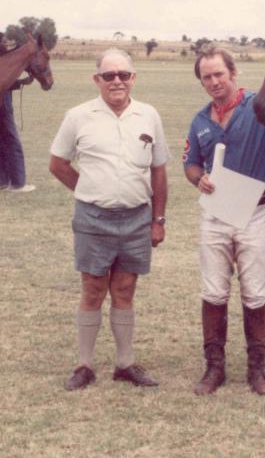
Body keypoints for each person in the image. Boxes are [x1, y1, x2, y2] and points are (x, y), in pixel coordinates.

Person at [49, 48, 169, 391]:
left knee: (125, 289)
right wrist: (87, 190)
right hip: (93, 218)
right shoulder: (78, 116)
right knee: (92, 289)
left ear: (133, 78)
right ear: (96, 79)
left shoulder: (149, 115)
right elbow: (57, 164)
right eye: (109, 76)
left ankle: (125, 363)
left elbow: (159, 171)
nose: (117, 81)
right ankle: (85, 365)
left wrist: (158, 219)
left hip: (137, 218)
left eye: (124, 75)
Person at [183, 44, 265, 396]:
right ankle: (214, 368)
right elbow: (190, 163)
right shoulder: (201, 120)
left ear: (233, 73)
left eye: (219, 73)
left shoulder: (260, 108)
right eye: (207, 77)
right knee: (214, 291)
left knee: (255, 292)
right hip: (215, 214)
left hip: (254, 212)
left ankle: (257, 369)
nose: (214, 81)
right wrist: (197, 177)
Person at [0, 32, 36, 192]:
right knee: (11, 139)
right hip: (3, 102)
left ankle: (2, 181)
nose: (5, 43)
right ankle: (18, 183)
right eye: (2, 40)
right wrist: (22, 81)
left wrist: (20, 82)